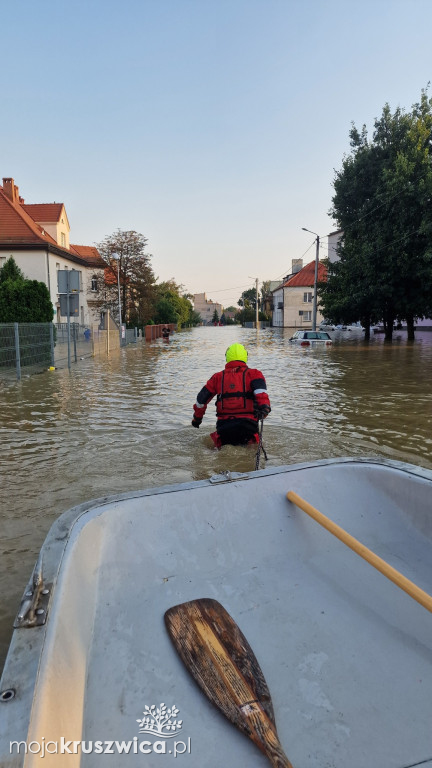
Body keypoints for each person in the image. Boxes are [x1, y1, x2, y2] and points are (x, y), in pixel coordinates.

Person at [192, 343, 271, 448]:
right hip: (248, 427)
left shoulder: (217, 377)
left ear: (227, 357)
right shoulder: (254, 374)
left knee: (218, 449)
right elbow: (261, 394)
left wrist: (197, 419)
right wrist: (264, 409)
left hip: (224, 428)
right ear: (245, 356)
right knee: (252, 450)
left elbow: (201, 401)